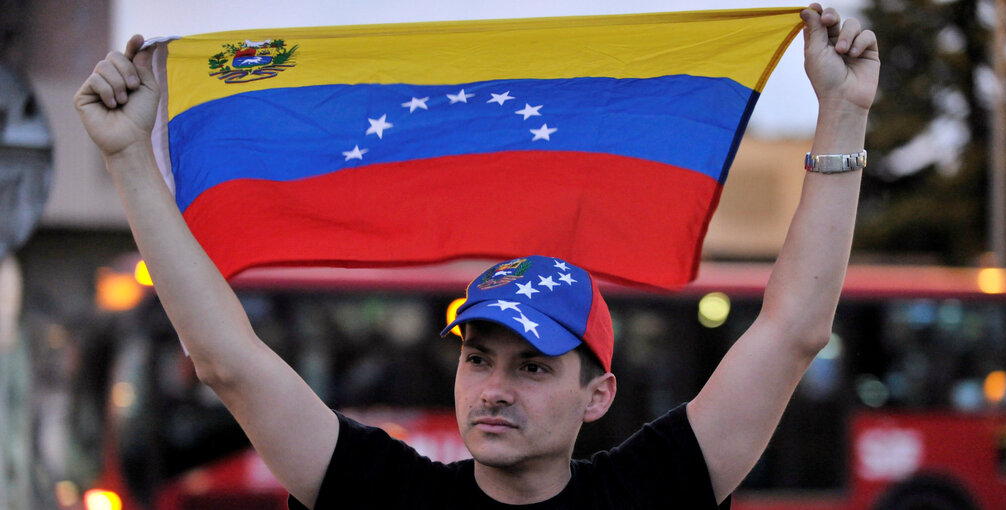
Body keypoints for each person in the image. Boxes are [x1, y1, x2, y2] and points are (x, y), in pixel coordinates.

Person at [74, 3, 878, 508]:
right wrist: (129, 159)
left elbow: (794, 331)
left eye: (532, 367)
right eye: (479, 358)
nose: (492, 391)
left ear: (597, 395)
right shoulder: (391, 495)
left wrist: (840, 114)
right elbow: (227, 362)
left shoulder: (651, 490)